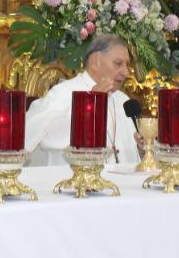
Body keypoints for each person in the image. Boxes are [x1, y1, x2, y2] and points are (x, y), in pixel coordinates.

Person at [24, 33, 141, 166]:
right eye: (118, 63)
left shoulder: (122, 100)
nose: (125, 72)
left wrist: (142, 148)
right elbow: (42, 137)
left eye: (127, 65)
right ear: (96, 61)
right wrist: (89, 105)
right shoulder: (64, 93)